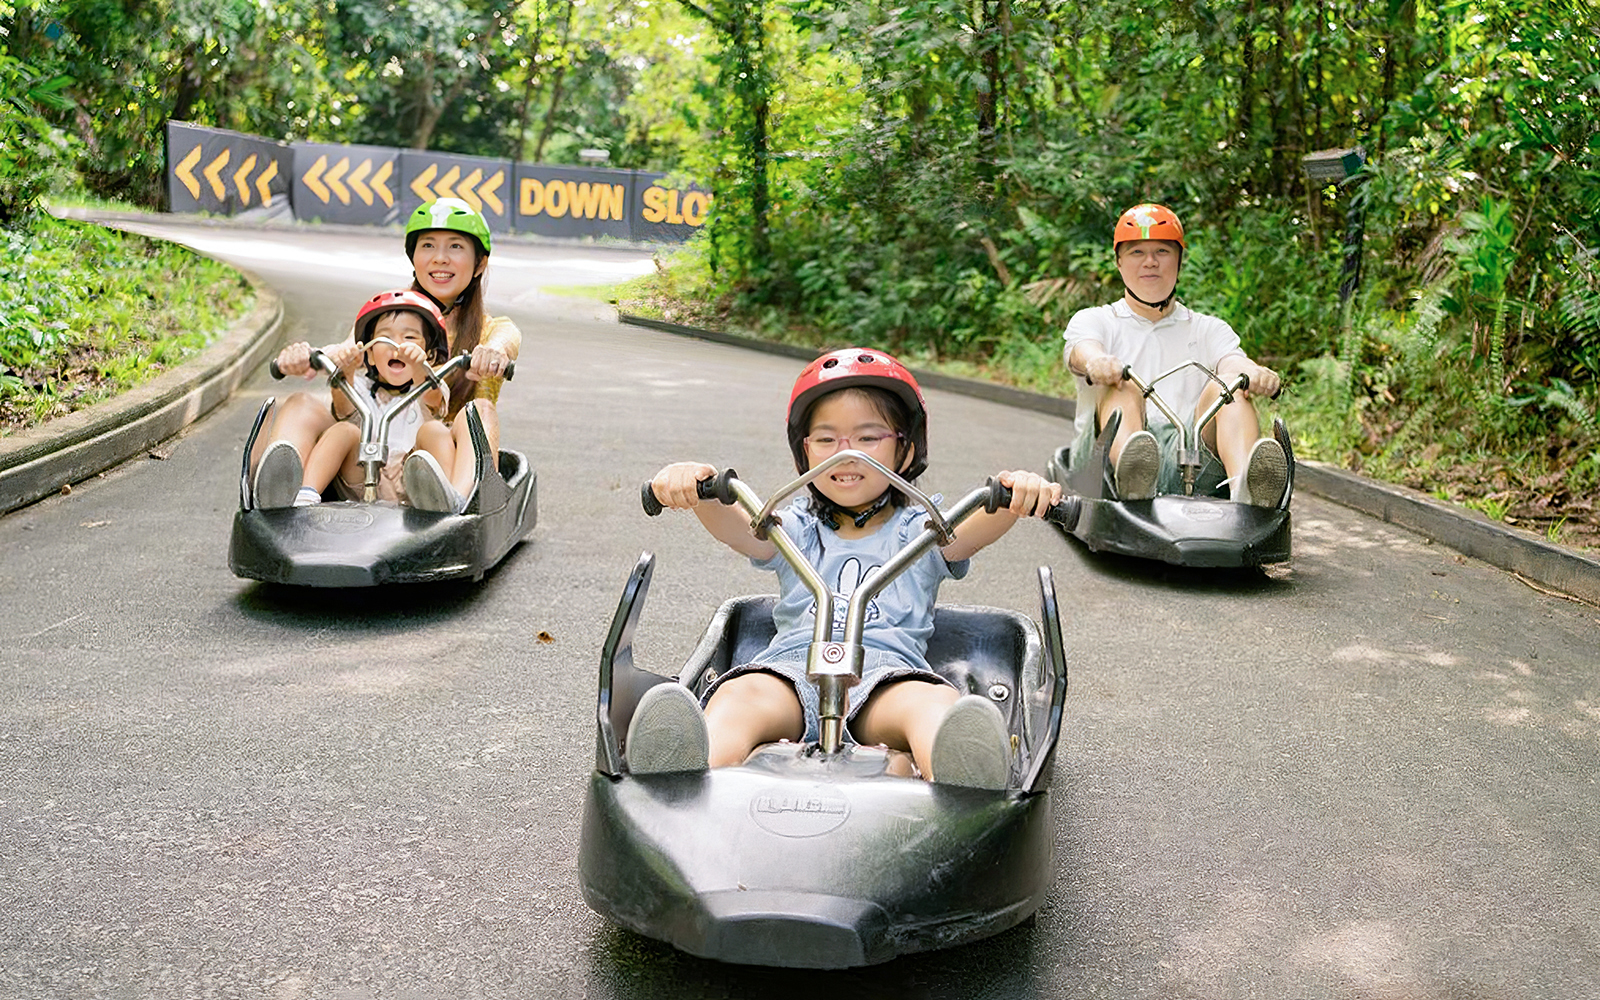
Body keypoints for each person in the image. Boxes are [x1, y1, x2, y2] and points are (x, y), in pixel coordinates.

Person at [627, 348, 1063, 790]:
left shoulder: (924, 529)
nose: (845, 455)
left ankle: (963, 775)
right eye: (827, 439)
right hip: (789, 671)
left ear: (905, 447)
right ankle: (682, 773)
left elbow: (973, 526)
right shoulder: (792, 525)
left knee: (933, 703)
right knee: (738, 697)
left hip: (886, 677)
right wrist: (698, 492)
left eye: (868, 438)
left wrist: (1014, 496)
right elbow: (740, 529)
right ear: (805, 451)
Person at [251, 197, 520, 508]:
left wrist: (492, 355)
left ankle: (457, 502)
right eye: (428, 246)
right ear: (414, 257)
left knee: (481, 409)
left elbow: (503, 341)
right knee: (301, 403)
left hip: (436, 454)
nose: (440, 258)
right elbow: (347, 349)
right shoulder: (385, 313)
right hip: (372, 449)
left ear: (479, 264)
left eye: (455, 247)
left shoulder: (494, 328)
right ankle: (279, 499)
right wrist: (305, 357)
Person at [1061, 203, 1287, 506]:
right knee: (1123, 383)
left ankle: (1247, 493)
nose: (1150, 262)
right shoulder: (1097, 320)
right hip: (1107, 463)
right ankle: (1134, 482)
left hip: (1189, 458)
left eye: (1162, 252)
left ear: (1179, 260)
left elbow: (1233, 361)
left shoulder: (1208, 328)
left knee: (1230, 385)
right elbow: (1082, 350)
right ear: (1118, 261)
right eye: (1137, 252)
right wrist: (1096, 362)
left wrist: (1253, 371)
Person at [279, 289, 462, 511]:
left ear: (430, 354)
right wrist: (345, 370)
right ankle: (305, 495)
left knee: (435, 430)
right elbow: (343, 407)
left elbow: (433, 398)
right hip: (362, 477)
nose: (397, 346)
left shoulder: (428, 386)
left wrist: (418, 366)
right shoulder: (358, 387)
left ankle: (447, 501)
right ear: (371, 355)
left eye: (410, 338)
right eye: (385, 338)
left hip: (413, 481)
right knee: (345, 430)